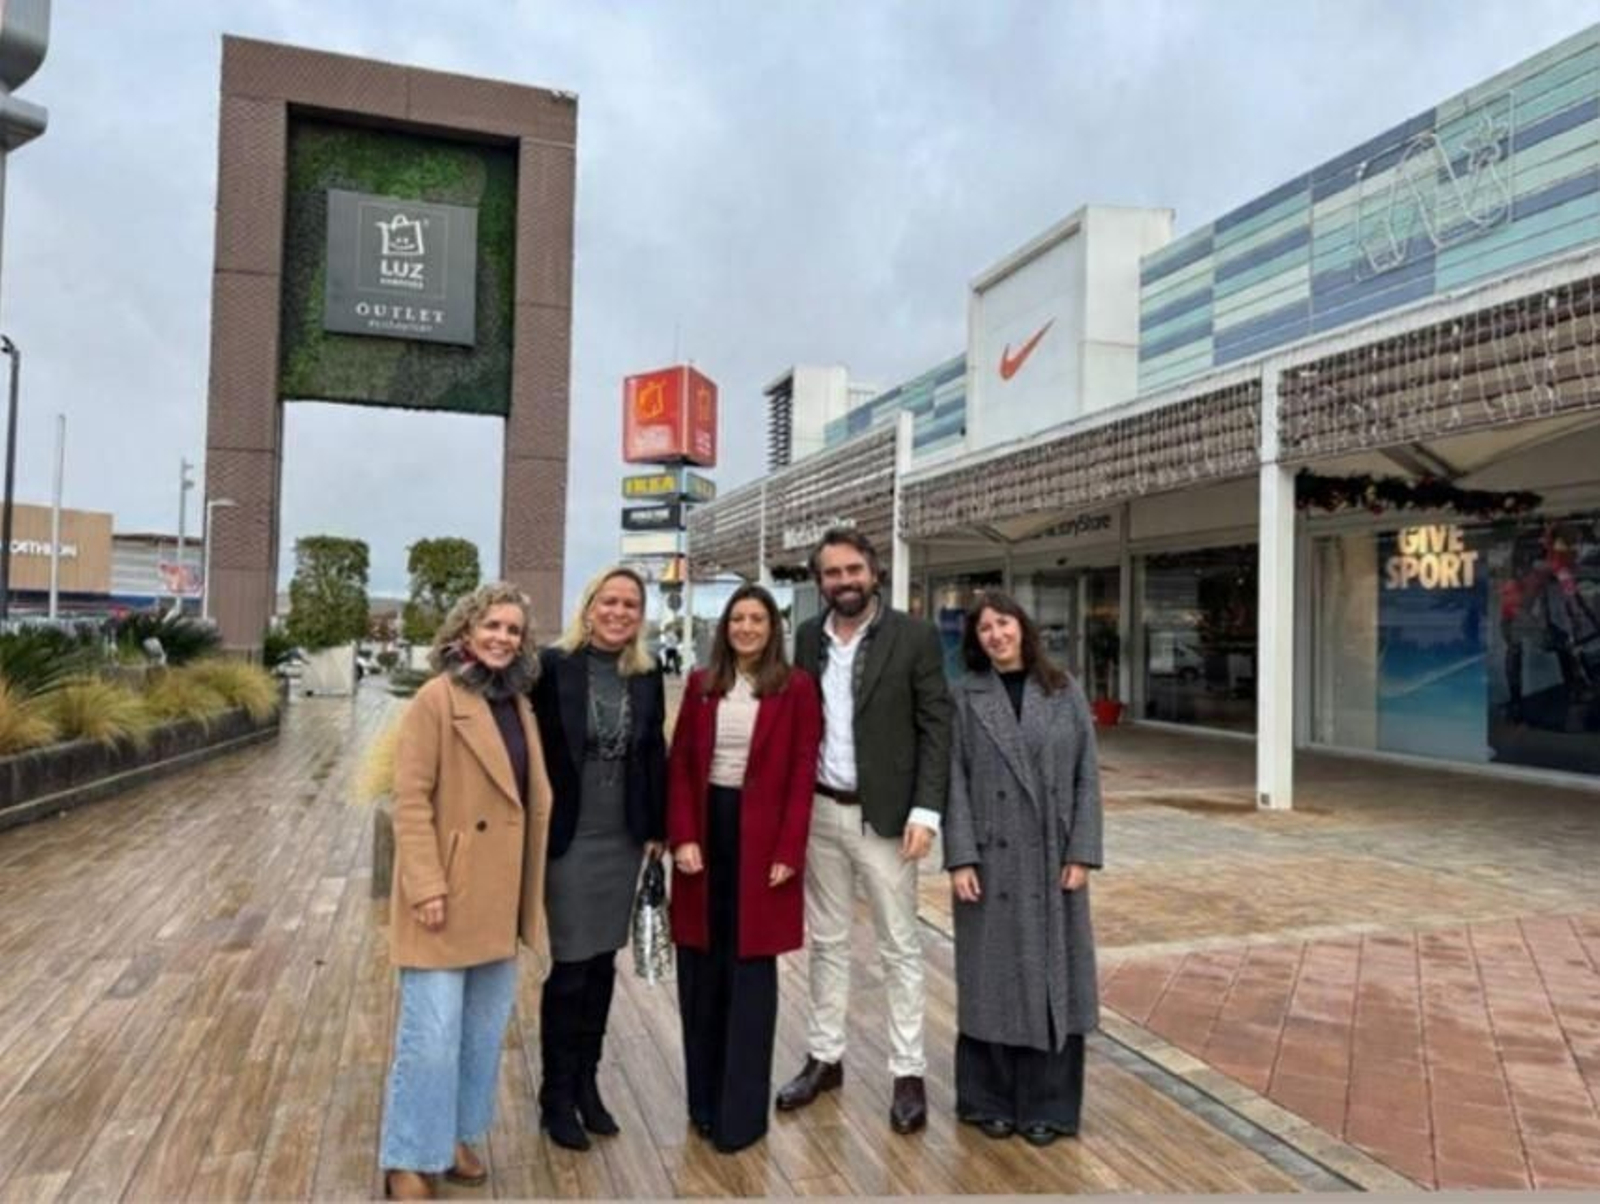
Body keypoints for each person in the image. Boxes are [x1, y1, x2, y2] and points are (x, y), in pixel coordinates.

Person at [775, 527, 952, 1134]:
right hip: (821, 812)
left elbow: (937, 726)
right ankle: (825, 1057)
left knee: (899, 946)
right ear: (819, 581)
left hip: (889, 819)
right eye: (832, 573)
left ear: (874, 572)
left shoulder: (915, 636)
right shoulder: (807, 637)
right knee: (826, 941)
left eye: (853, 570)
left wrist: (927, 811)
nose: (844, 581)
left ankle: (908, 1072)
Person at [379, 583, 553, 1201]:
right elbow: (410, 798)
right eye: (492, 626)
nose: (503, 638)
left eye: (513, 630)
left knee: (480, 1034)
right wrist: (426, 883)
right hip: (446, 892)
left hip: (498, 895)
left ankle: (453, 1135)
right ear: (465, 632)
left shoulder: (517, 702)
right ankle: (407, 1156)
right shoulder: (436, 697)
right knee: (430, 1036)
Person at [944, 591, 1104, 1146]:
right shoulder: (965, 696)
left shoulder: (1063, 689)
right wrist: (960, 856)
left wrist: (1081, 851)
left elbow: (1087, 775)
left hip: (1052, 859)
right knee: (990, 979)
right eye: (985, 628)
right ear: (976, 639)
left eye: (1004, 623)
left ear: (1023, 627)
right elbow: (953, 781)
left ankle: (1049, 1106)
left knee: (1055, 976)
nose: (996, 635)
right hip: (989, 860)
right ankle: (987, 1099)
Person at [667, 585, 821, 1152]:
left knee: (750, 975)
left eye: (758, 618)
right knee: (701, 970)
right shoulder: (700, 685)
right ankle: (704, 1104)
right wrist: (683, 835)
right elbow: (681, 763)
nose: (747, 628)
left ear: (773, 627)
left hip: (764, 841)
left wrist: (788, 850)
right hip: (707, 832)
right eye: (738, 618)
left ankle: (741, 1117)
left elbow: (803, 771)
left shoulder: (795, 687)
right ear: (725, 626)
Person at [531, 566, 667, 1150]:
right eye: (608, 601)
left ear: (640, 616)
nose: (618, 612)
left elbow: (654, 752)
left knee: (603, 964)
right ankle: (555, 1095)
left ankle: (588, 1084)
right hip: (569, 836)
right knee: (570, 966)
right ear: (588, 608)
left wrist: (657, 827)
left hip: (623, 837)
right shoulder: (552, 666)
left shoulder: (646, 675)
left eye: (630, 605)